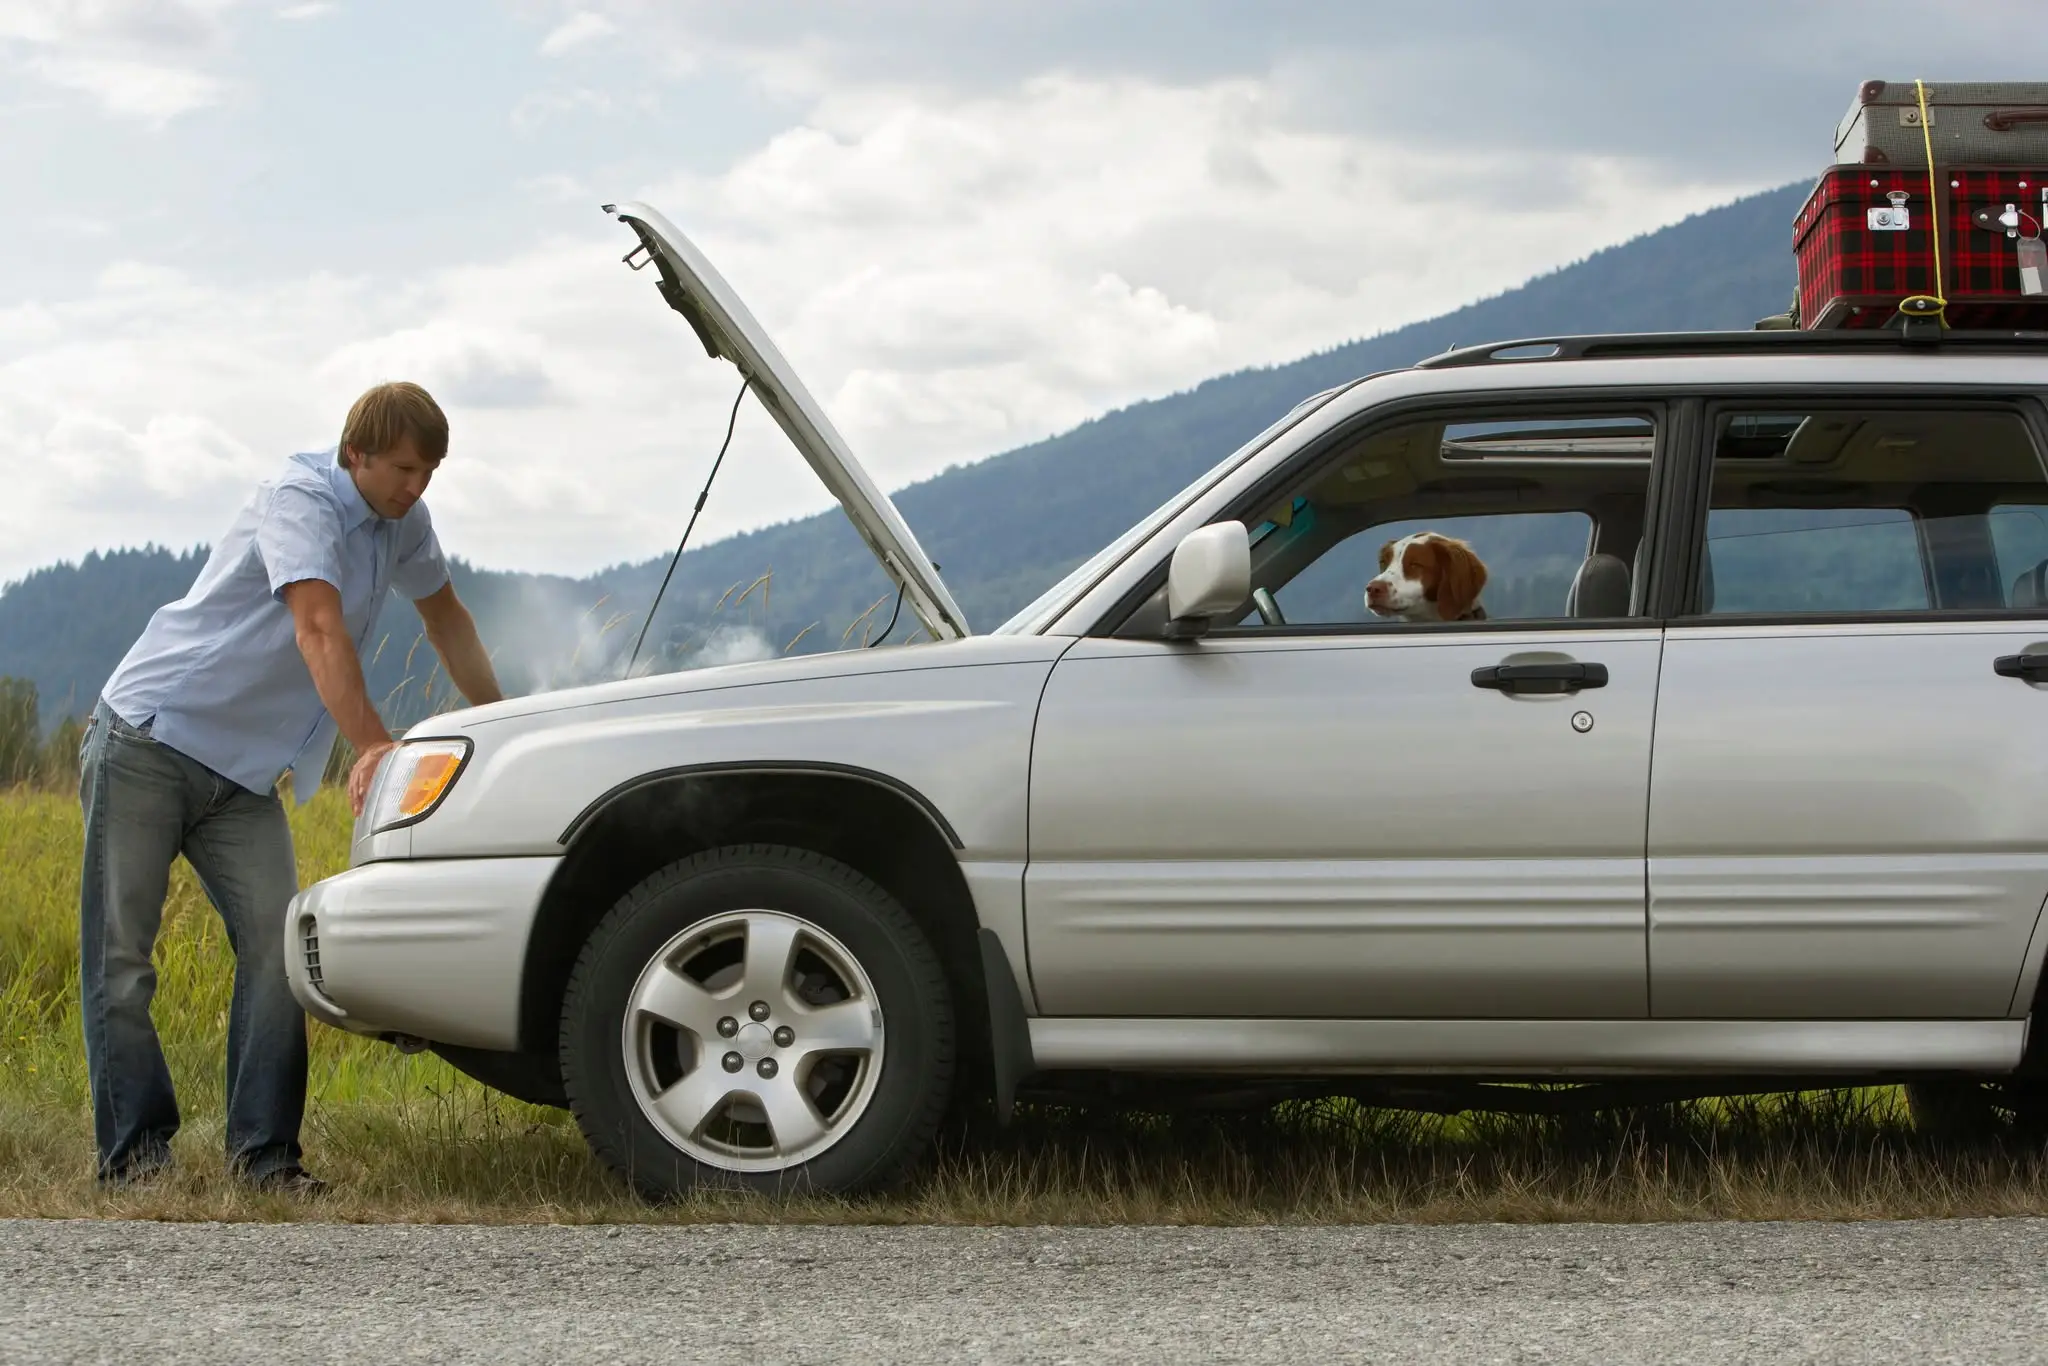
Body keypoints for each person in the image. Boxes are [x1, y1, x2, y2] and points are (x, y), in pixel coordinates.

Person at [78, 381, 504, 1192]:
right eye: (405, 469)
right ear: (358, 454)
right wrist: (372, 744)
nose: (416, 488)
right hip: (149, 739)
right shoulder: (298, 499)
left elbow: (446, 618)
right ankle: (136, 1161)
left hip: (241, 777)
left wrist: (506, 719)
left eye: (429, 473)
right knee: (122, 960)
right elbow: (316, 625)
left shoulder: (402, 522)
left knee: (282, 952)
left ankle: (265, 1161)